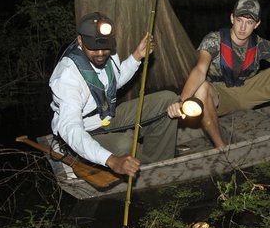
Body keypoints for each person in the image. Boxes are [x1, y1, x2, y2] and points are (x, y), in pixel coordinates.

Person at [167, 0, 270, 148]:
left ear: (257, 24)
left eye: (249, 22)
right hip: (220, 96)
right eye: (239, 20)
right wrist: (182, 100)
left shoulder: (260, 45)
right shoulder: (213, 40)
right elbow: (199, 70)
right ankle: (221, 148)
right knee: (202, 87)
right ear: (232, 18)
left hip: (247, 90)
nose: (243, 28)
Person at [50, 11, 178, 177]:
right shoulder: (67, 77)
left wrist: (136, 57)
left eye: (105, 46)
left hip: (107, 117)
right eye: (94, 47)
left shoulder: (108, 52)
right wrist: (111, 160)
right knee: (124, 144)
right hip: (84, 131)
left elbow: (112, 81)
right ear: (80, 40)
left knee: (167, 100)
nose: (101, 53)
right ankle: (139, 166)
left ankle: (159, 165)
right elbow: (71, 129)